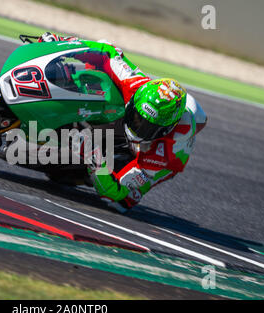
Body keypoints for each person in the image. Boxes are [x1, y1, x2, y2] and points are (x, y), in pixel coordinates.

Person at [38, 32, 208, 213]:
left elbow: (116, 194)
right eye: (137, 117)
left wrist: (92, 155)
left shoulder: (162, 157)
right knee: (100, 81)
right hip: (161, 115)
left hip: (150, 157)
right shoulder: (136, 85)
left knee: (122, 202)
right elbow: (107, 51)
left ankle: (86, 170)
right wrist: (63, 43)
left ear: (165, 129)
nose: (138, 126)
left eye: (147, 127)